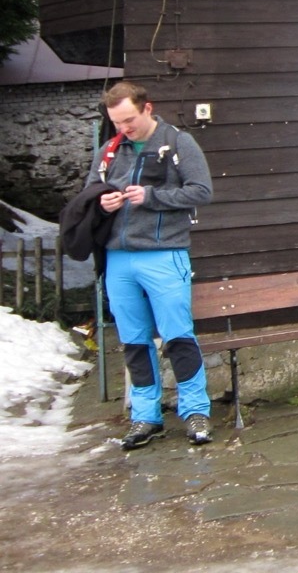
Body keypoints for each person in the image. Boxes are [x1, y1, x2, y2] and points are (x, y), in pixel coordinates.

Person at [92, 81, 214, 449]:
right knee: (133, 340)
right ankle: (145, 416)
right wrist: (102, 203)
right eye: (116, 122)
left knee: (178, 335)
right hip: (118, 257)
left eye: (128, 120)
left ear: (147, 108)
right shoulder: (109, 150)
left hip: (165, 253)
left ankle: (195, 411)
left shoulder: (178, 143)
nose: (123, 128)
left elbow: (202, 191)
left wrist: (151, 196)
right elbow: (88, 194)